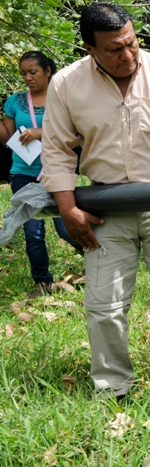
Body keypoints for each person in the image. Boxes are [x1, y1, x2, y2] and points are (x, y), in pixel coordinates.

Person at [41, 2, 150, 400]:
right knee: (104, 306)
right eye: (114, 49)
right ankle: (112, 389)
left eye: (132, 43)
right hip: (104, 209)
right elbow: (57, 151)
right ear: (89, 49)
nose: (127, 55)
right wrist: (67, 208)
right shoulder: (66, 84)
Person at [0, 51, 83, 299]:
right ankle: (43, 283)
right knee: (33, 232)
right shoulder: (15, 102)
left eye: (33, 72)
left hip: (57, 172)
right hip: (23, 174)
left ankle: (102, 258)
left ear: (48, 71)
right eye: (23, 73)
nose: (28, 77)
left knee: (66, 228)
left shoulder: (64, 98)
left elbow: (78, 134)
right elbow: (7, 138)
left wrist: (41, 132)